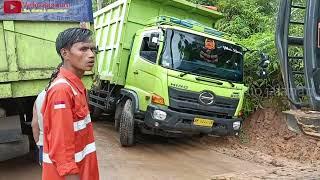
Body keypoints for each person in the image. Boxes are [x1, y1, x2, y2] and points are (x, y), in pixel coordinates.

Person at [41, 28, 99, 180]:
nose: (91, 55)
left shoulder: (76, 87)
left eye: (93, 49)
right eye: (83, 49)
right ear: (65, 53)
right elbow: (62, 150)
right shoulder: (62, 90)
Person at [31, 89, 46, 165]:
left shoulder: (40, 96)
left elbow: (34, 124)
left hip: (44, 146)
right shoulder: (69, 91)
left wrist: (39, 143)